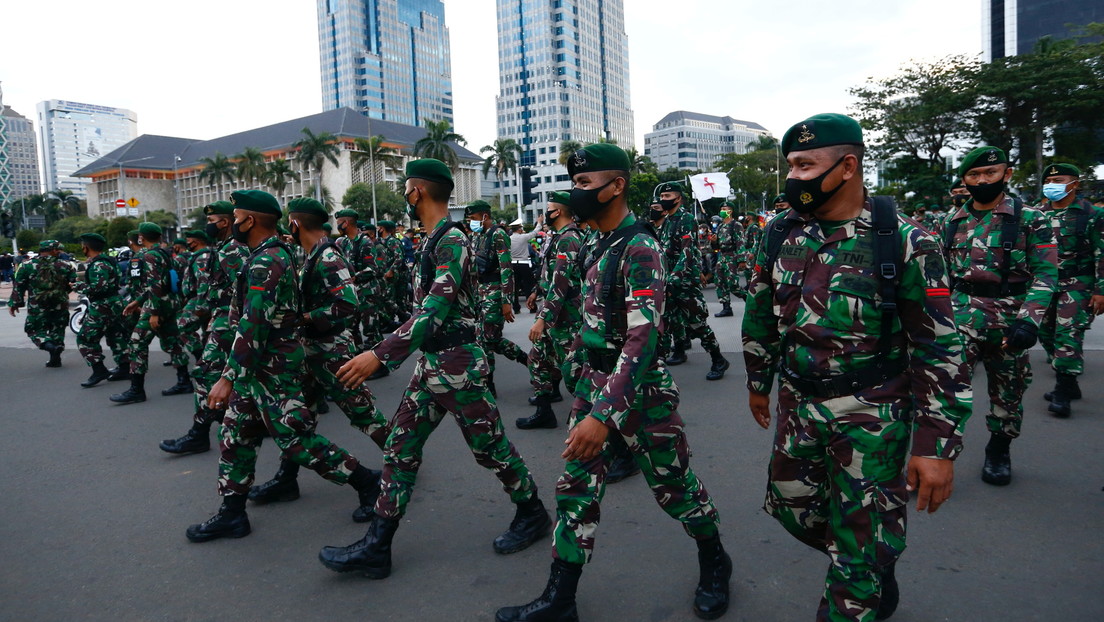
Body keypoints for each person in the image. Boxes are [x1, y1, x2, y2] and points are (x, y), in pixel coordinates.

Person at [743, 113, 972, 622]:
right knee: (793, 508)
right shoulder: (783, 233)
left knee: (857, 553)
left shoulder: (906, 241)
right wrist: (759, 382)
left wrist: (936, 445)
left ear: (847, 167)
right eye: (791, 166)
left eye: (805, 165)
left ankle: (863, 570)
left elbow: (939, 347)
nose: (793, 177)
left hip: (872, 413)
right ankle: (870, 556)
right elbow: (761, 312)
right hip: (798, 405)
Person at [497, 144, 730, 622]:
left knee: (675, 488)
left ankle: (714, 561)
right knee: (575, 490)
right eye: (575, 184)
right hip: (596, 382)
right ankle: (560, 600)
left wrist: (604, 413)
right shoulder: (595, 243)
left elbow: (644, 338)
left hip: (639, 390)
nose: (577, 193)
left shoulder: (640, 246)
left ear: (617, 185)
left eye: (585, 184)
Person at [318, 159, 550, 579]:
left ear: (418, 191)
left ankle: (532, 512)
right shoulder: (433, 240)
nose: (405, 196)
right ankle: (378, 545)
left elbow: (434, 309)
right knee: (400, 449)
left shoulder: (452, 241)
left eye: (406, 188)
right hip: (432, 365)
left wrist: (380, 353)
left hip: (457, 365)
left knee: (490, 449)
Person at [186, 190, 381, 543]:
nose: (232, 222)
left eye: (237, 215)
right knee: (234, 435)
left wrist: (227, 378)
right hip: (257, 369)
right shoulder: (264, 255)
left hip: (272, 368)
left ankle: (367, 481)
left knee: (297, 441)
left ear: (251, 220)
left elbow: (254, 324)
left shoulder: (269, 260)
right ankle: (232, 513)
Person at [936, 146, 1057, 486]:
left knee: (1009, 390)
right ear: (964, 180)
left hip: (1010, 318)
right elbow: (940, 276)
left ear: (1007, 175)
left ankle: (999, 449)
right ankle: (937, 455)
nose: (982, 180)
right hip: (961, 317)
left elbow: (1046, 273)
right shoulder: (950, 221)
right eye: (974, 175)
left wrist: (1028, 320)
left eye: (990, 173)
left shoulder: (1031, 219)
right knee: (943, 387)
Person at [160, 201, 247, 455]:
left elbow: (240, 293)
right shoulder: (223, 248)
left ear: (225, 222)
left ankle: (201, 433)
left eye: (212, 221)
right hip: (220, 319)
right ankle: (225, 425)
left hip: (228, 323)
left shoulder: (233, 249)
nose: (208, 225)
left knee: (205, 375)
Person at [1035, 163, 1104, 417]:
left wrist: (1101, 290)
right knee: (1045, 331)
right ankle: (1070, 382)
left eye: (1059, 179)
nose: (1052, 184)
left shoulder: (1092, 214)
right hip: (1044, 283)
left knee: (1068, 332)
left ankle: (1062, 391)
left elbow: (1103, 254)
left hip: (1077, 283)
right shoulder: (1037, 213)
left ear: (1075, 183)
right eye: (1049, 180)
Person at [651, 181, 730, 380]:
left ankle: (718, 359)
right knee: (671, 319)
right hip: (670, 281)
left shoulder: (686, 219)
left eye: (668, 197)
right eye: (662, 197)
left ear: (678, 198)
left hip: (684, 280)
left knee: (697, 323)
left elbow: (687, 251)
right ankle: (679, 350)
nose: (664, 200)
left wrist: (674, 277)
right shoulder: (668, 220)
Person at [518, 192, 583, 429]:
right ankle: (544, 411)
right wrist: (535, 292)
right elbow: (548, 273)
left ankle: (592, 417)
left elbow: (561, 283)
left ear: (560, 212)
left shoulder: (570, 238)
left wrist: (542, 319)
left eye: (549, 208)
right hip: (551, 310)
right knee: (538, 360)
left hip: (565, 317)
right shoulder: (557, 237)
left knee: (574, 370)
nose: (545, 213)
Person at [110, 222, 190, 405]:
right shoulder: (164, 253)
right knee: (173, 340)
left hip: (158, 304)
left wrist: (153, 312)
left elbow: (154, 285)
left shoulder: (148, 256)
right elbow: (162, 282)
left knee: (137, 342)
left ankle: (136, 390)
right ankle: (184, 380)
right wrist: (137, 302)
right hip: (170, 302)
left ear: (141, 237)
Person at [467, 200, 528, 394]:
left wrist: (506, 301)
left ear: (484, 215)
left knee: (487, 338)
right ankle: (526, 361)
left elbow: (506, 268)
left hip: (494, 292)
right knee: (488, 339)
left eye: (474, 218)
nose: (471, 222)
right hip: (481, 292)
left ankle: (490, 381)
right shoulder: (478, 236)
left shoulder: (498, 234)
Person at [8, 239, 75, 367]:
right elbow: (72, 284)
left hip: (37, 305)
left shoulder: (26, 265)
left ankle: (49, 347)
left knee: (34, 329)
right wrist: (61, 292)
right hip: (60, 303)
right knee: (58, 329)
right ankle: (56, 353)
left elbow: (19, 286)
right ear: (54, 250)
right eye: (58, 249)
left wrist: (15, 303)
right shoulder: (66, 265)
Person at [74, 233, 129, 387]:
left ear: (86, 247)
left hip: (102, 306)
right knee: (116, 336)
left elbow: (99, 287)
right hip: (115, 303)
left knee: (85, 338)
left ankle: (99, 370)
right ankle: (125, 368)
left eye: (82, 245)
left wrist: (79, 286)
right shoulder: (109, 260)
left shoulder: (98, 264)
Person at [714, 201, 744, 316]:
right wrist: (713, 241)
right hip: (722, 256)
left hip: (732, 256)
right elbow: (716, 245)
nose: (722, 211)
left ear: (730, 211)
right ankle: (726, 307)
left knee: (732, 283)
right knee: (720, 282)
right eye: (721, 208)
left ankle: (748, 298)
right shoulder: (721, 226)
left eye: (725, 208)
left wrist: (742, 260)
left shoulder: (736, 225)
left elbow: (740, 242)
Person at [509, 218, 544, 312]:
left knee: (515, 287)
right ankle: (532, 307)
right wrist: (539, 222)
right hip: (524, 264)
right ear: (519, 229)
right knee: (528, 286)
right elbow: (535, 232)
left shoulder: (509, 239)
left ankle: (516, 308)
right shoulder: (523, 237)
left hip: (513, 264)